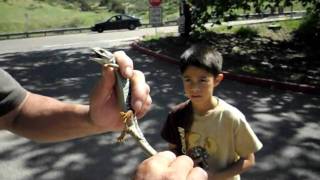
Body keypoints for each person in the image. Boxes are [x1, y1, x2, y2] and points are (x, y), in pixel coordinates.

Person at [0, 51, 206, 179]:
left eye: (101, 54)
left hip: (126, 116)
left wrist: (93, 121)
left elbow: (17, 111)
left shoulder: (115, 70)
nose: (96, 54)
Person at [161, 44, 263, 180]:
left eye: (203, 80)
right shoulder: (176, 115)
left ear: (217, 80)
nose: (194, 88)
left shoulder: (231, 117)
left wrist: (215, 176)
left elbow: (248, 160)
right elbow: (173, 151)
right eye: (188, 80)